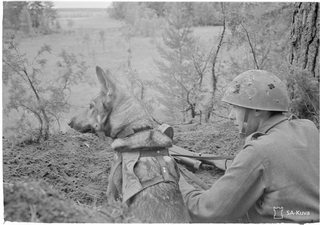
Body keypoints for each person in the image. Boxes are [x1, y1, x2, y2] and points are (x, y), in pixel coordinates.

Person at [179, 70, 319, 223]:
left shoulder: (259, 151)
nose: (230, 115)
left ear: (258, 109)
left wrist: (177, 181)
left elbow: (206, 210)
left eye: (236, 107)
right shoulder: (309, 129)